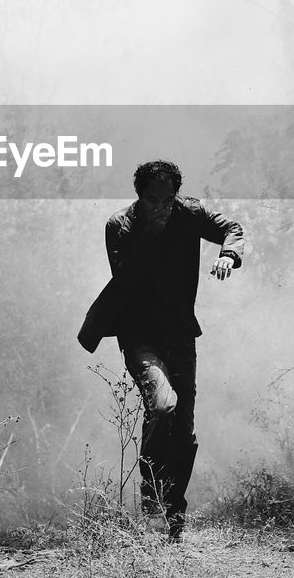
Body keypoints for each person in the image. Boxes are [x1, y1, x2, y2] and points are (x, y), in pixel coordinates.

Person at [77, 160, 245, 541]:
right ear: (139, 196)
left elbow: (231, 229)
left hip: (181, 336)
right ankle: (152, 493)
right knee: (163, 405)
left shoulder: (189, 212)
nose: (162, 207)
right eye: (153, 200)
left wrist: (228, 255)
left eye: (168, 199)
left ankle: (174, 515)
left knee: (184, 432)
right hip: (139, 336)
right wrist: (150, 234)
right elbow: (126, 278)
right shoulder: (120, 225)